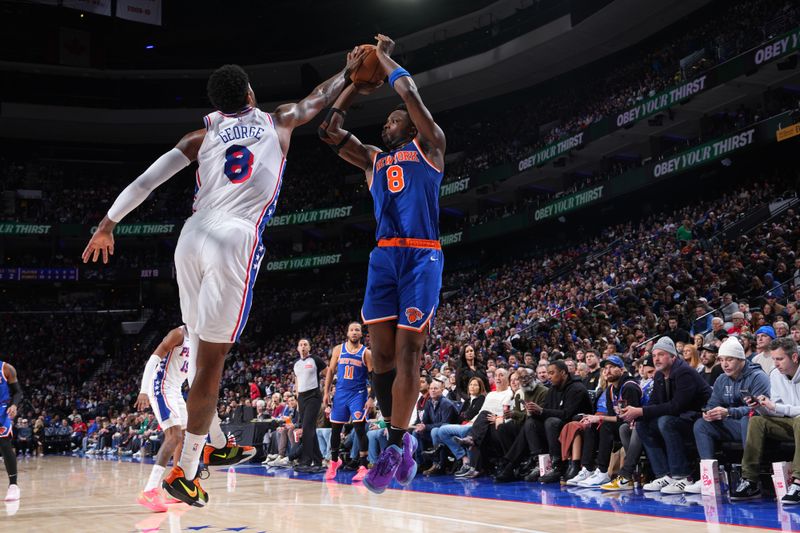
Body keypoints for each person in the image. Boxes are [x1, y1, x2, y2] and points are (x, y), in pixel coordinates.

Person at [82, 51, 368, 506]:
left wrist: (107, 224)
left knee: (197, 350)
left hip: (191, 237)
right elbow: (318, 99)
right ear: (251, 94)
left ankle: (211, 440)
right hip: (235, 238)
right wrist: (349, 73)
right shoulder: (278, 121)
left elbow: (147, 181)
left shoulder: (201, 135)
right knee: (211, 362)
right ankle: (189, 468)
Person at [319, 34, 446, 494]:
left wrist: (385, 58)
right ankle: (402, 441)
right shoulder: (374, 160)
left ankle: (395, 444)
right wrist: (354, 84)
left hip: (421, 254)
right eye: (390, 119)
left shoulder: (430, 147)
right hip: (383, 256)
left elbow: (410, 95)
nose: (388, 123)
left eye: (395, 120)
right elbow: (329, 134)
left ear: (409, 127)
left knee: (411, 352)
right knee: (382, 361)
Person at [620, 336, 711, 494]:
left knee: (665, 422)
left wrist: (641, 411)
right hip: (680, 418)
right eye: (654, 355)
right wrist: (638, 416)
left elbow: (677, 406)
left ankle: (682, 475)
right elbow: (654, 402)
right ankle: (664, 474)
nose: (656, 359)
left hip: (699, 419)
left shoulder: (684, 372)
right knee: (642, 425)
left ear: (673, 356)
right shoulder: (659, 375)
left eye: (661, 354)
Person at [686, 337, 769, 494]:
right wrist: (708, 413)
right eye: (721, 360)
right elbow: (712, 403)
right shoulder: (722, 379)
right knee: (701, 424)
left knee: (749, 419)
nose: (724, 364)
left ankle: (750, 478)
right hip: (733, 426)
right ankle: (709, 477)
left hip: (756, 426)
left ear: (741, 359)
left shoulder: (758, 377)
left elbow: (759, 409)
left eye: (729, 359)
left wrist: (729, 412)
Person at [733, 337, 800, 503]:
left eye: (780, 359)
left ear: (794, 357)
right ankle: (750, 481)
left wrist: (775, 407)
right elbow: (775, 410)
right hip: (790, 424)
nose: (776, 363)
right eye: (774, 359)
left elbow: (780, 408)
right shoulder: (775, 374)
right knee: (756, 420)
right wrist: (760, 406)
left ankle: (798, 482)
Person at [322, 322, 374, 482]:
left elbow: (373, 377)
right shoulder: (338, 349)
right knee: (335, 429)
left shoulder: (366, 353)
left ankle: (363, 466)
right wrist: (326, 392)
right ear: (347, 333)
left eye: (357, 330)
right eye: (351, 329)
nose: (354, 332)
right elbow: (330, 371)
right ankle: (334, 461)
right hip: (340, 394)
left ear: (361, 334)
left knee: (359, 428)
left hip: (358, 394)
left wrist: (372, 397)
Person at [293, 339, 328, 471]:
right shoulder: (295, 363)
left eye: (305, 344)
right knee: (310, 428)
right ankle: (318, 460)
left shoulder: (315, 360)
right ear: (297, 348)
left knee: (307, 428)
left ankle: (306, 460)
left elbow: (328, 373)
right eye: (300, 344)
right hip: (301, 398)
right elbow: (297, 381)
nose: (303, 347)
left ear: (309, 347)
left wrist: (326, 391)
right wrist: (297, 399)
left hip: (313, 396)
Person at [0, 360, 22, 502]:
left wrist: (14, 405)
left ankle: (13, 485)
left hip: (1, 410)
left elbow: (17, 392)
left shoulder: (6, 368)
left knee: (4, 443)